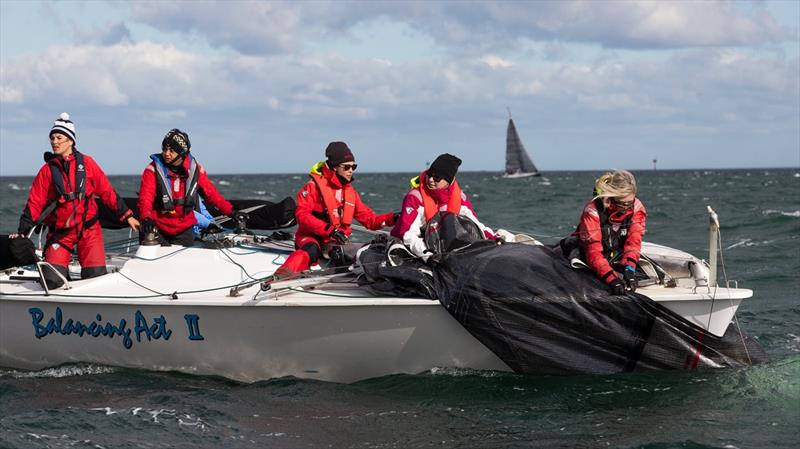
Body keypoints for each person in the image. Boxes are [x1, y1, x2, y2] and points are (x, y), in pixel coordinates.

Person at [15, 112, 139, 282]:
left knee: (96, 278)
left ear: (71, 140)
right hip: (61, 234)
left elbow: (107, 192)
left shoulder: (88, 164)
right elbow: (35, 202)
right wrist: (22, 231)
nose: (54, 142)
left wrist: (128, 216)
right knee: (52, 279)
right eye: (52, 138)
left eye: (59, 137)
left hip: (89, 231)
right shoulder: (47, 171)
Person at [275, 141, 396, 275]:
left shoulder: (351, 193)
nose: (351, 170)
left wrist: (394, 218)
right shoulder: (313, 187)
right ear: (334, 167)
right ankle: (281, 275)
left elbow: (370, 220)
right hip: (310, 238)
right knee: (311, 249)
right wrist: (329, 230)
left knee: (363, 253)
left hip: (334, 243)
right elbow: (302, 215)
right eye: (346, 167)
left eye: (353, 166)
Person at [137, 128, 235, 246]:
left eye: (172, 150)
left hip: (184, 230)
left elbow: (212, 195)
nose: (166, 153)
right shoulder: (152, 169)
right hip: (157, 228)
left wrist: (231, 212)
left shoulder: (195, 170)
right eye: (164, 149)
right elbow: (146, 197)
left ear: (182, 153)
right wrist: (146, 218)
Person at [391, 153, 495, 260]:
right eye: (429, 174)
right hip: (418, 247)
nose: (431, 179)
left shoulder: (459, 198)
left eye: (437, 178)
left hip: (442, 246)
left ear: (448, 181)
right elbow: (408, 235)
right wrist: (427, 255)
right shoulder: (415, 197)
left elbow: (476, 225)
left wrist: (493, 239)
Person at [568, 169, 647, 295]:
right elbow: (593, 251)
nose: (626, 208)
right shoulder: (592, 211)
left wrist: (630, 268)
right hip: (589, 255)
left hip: (616, 253)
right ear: (611, 198)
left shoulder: (637, 207)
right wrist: (612, 279)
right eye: (621, 204)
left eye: (629, 203)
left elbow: (634, 241)